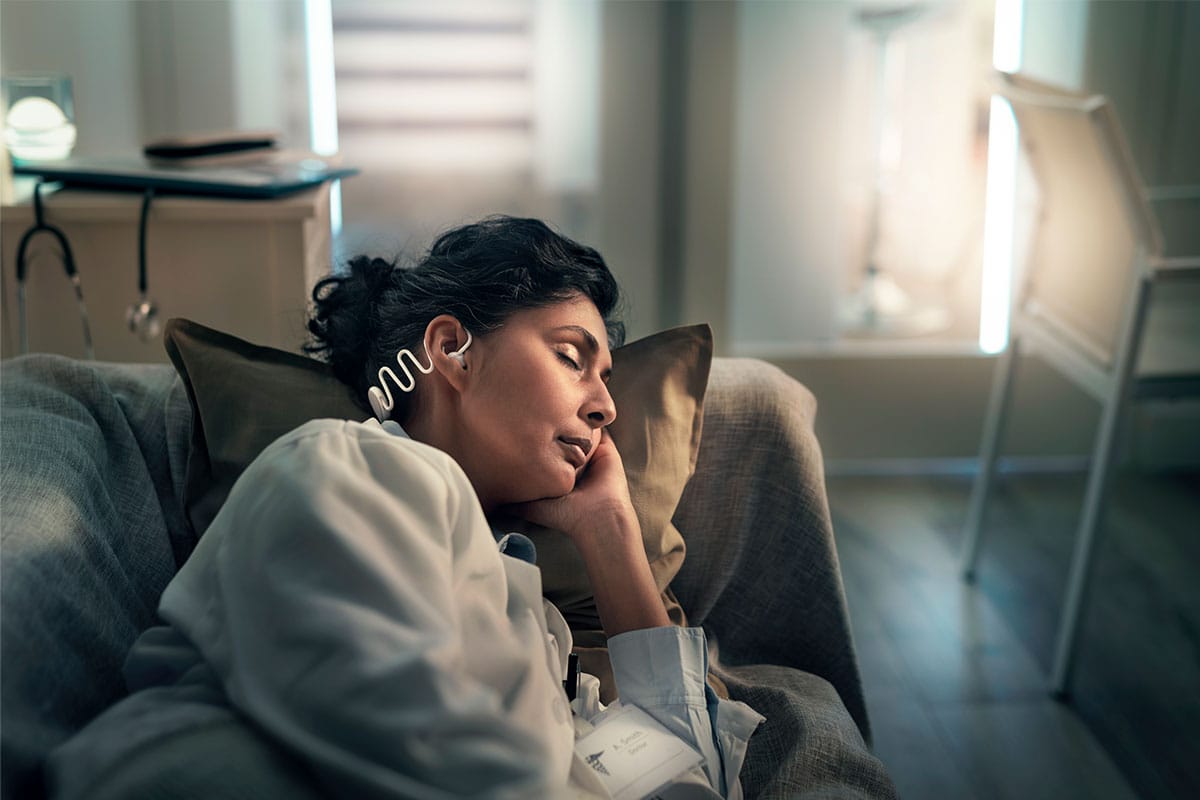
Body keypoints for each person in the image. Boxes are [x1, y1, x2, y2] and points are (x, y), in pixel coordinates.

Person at [47, 216, 761, 799]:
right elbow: (439, 764)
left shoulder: (530, 619)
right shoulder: (341, 467)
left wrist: (610, 530)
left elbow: (688, 775)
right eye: (573, 357)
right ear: (452, 350)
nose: (606, 406)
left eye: (606, 377)